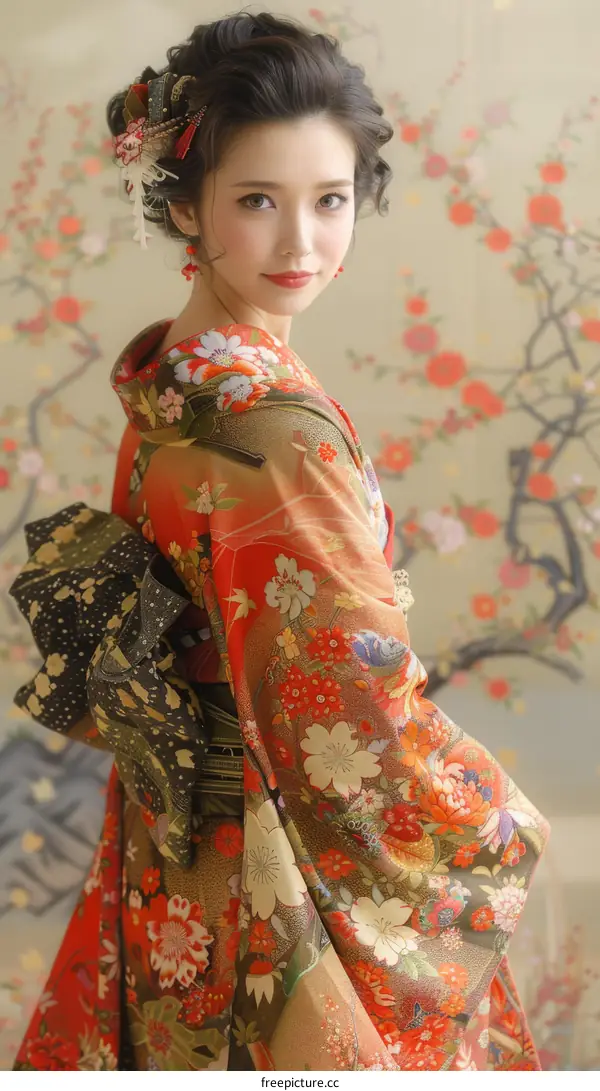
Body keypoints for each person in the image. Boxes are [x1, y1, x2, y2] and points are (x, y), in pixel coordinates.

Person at [9, 11, 548, 1072]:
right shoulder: (270, 434)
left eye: (331, 200)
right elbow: (342, 699)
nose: (302, 243)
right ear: (179, 202)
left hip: (176, 859)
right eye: (257, 201)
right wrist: (494, 818)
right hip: (275, 864)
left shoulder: (173, 374)